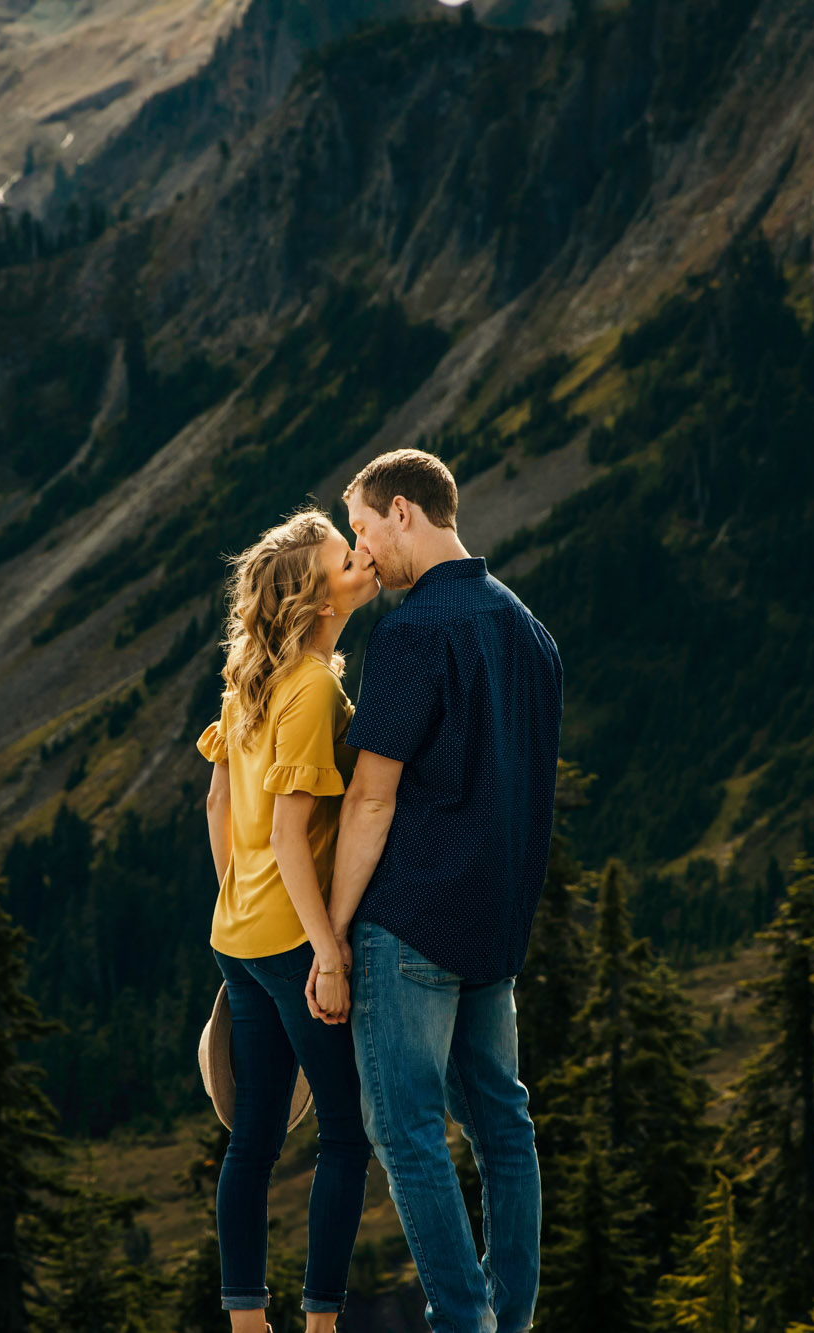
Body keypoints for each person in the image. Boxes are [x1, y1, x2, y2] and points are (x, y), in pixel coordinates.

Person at [307, 448, 563, 1333]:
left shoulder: (413, 631)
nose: (363, 552)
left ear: (405, 511)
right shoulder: (530, 631)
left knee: (407, 1130)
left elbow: (373, 798)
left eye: (365, 530)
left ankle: (465, 1319)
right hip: (493, 928)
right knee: (503, 1126)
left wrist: (331, 932)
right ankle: (509, 1315)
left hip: (409, 921)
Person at [198, 508, 383, 1332]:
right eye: (347, 557)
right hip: (289, 942)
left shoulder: (253, 679)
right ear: (316, 598)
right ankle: (320, 1322)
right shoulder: (311, 687)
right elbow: (285, 829)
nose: (363, 558)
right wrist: (327, 948)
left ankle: (245, 1321)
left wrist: (239, 896)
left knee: (255, 1141)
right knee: (345, 1133)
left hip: (237, 937)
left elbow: (218, 801)